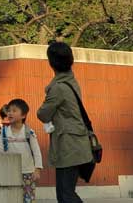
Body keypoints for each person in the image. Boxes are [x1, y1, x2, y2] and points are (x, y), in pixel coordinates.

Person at [37, 41, 92, 203]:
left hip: (68, 145)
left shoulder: (58, 88)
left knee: (65, 194)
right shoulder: (71, 81)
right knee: (65, 193)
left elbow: (43, 114)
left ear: (51, 63)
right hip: (76, 142)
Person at [0, 99, 44, 203]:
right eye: (9, 110)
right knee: (10, 198)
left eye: (14, 110)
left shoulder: (28, 132)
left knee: (28, 199)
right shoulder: (4, 132)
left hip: (27, 173)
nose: (10, 113)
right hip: (9, 172)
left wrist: (38, 169)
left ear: (23, 115)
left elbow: (36, 152)